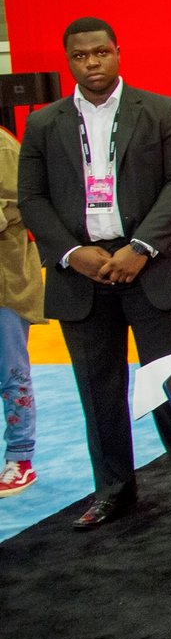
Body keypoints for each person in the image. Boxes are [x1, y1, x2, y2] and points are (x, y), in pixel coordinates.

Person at [18, 16, 171, 529]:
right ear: (68, 61)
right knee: (98, 391)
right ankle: (113, 491)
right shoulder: (44, 123)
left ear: (117, 52)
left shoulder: (159, 111)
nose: (91, 63)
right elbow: (32, 197)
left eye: (100, 53)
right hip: (79, 274)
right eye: (80, 57)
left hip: (148, 267)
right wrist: (70, 252)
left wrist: (141, 246)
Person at [0, 125, 45, 497]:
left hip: (5, 285)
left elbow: (24, 203)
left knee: (11, 373)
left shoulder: (2, 144)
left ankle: (21, 458)